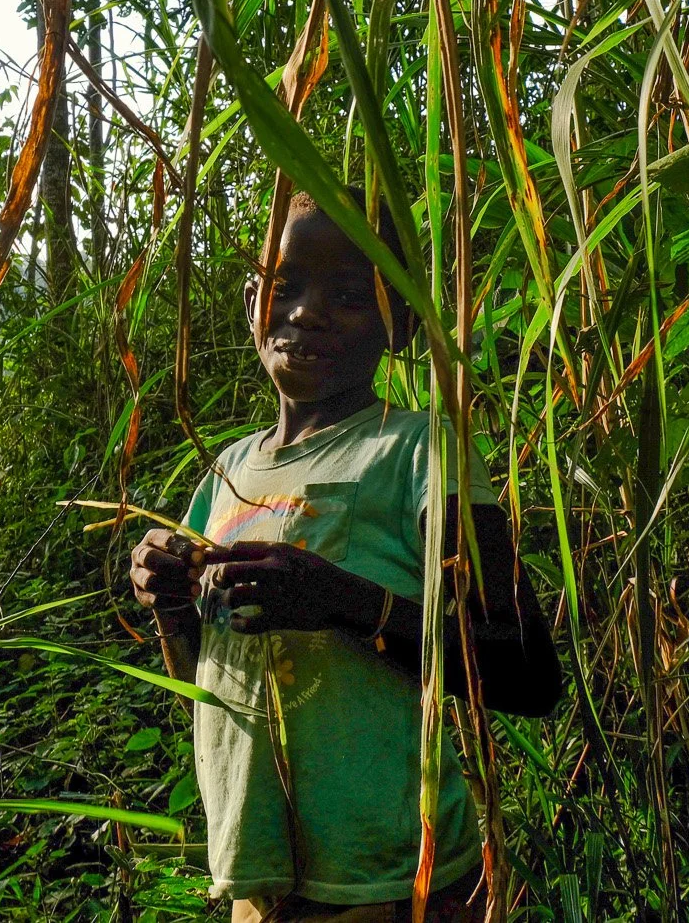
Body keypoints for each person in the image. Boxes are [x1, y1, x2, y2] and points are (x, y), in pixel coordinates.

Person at [130, 189, 562, 922]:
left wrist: (342, 601)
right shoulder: (226, 472)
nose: (305, 312)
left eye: (350, 294)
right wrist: (171, 601)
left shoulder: (420, 448)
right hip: (260, 882)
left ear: (396, 326)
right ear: (249, 302)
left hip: (402, 881)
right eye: (285, 286)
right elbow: (205, 675)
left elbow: (529, 671)